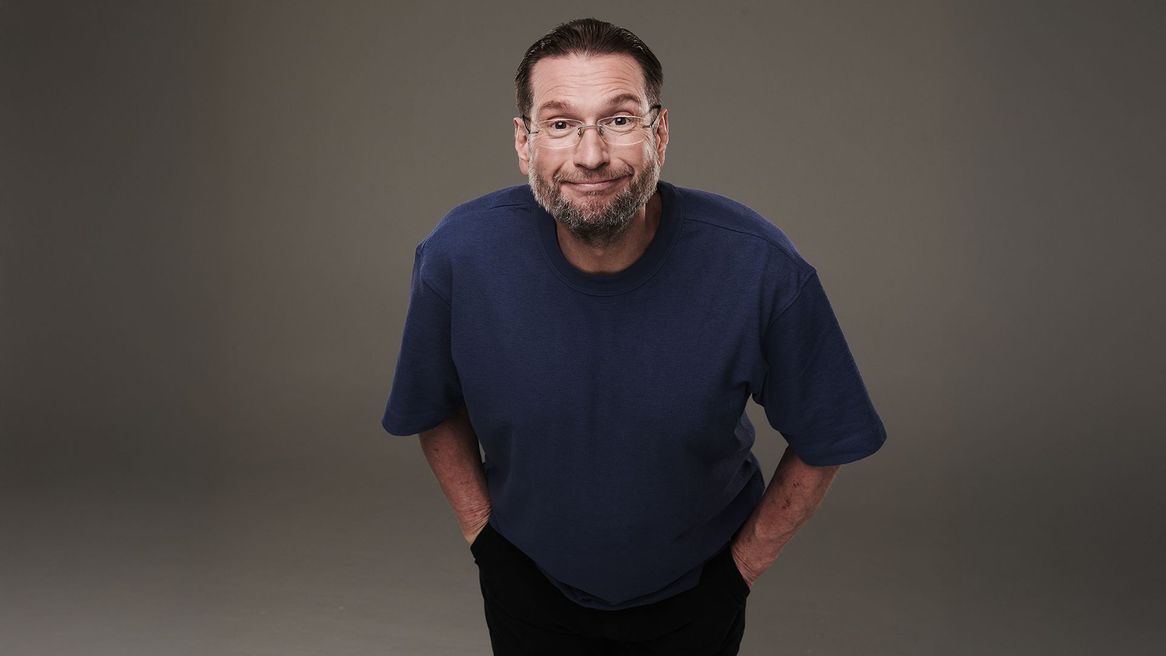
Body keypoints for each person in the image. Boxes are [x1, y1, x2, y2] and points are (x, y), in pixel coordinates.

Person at [382, 17, 886, 655]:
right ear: (523, 141)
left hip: (697, 595)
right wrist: (485, 540)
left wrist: (739, 574)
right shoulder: (458, 256)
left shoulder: (759, 267)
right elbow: (433, 405)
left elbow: (827, 436)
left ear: (660, 133)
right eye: (561, 124)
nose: (591, 155)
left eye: (619, 120)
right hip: (525, 583)